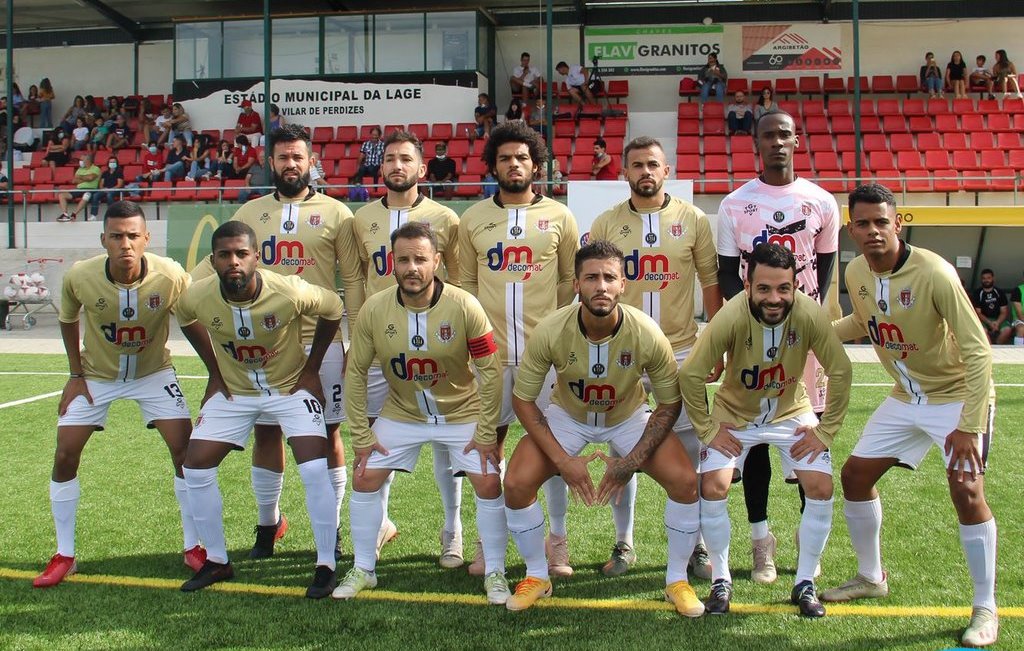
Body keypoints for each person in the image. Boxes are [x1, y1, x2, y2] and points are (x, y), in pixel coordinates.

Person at [823, 183, 999, 648]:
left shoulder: (935, 272)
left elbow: (980, 352)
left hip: (957, 397)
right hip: (906, 396)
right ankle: (870, 576)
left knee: (966, 491)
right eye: (863, 223)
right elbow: (863, 322)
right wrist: (816, 334)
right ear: (851, 229)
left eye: (882, 221)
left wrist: (969, 426)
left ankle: (985, 606)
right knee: (855, 477)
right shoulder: (857, 269)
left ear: (898, 223)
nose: (873, 231)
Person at [189, 123, 365, 564]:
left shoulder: (337, 213)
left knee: (329, 433)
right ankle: (268, 524)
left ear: (311, 162)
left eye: (298, 157)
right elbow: (210, 274)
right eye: (283, 157)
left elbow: (354, 280)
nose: (291, 164)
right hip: (267, 342)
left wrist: (354, 341)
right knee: (265, 431)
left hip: (320, 344)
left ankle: (333, 527)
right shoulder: (251, 211)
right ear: (272, 162)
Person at [502, 240, 703, 615]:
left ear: (623, 284)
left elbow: (669, 402)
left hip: (627, 417)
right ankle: (536, 575)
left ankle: (677, 579)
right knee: (515, 483)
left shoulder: (646, 332)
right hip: (569, 418)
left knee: (685, 481)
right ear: (576, 284)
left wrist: (631, 461)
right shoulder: (551, 329)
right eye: (591, 277)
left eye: (609, 277)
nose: (601, 286)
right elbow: (523, 400)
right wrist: (563, 461)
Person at [32, 200, 206, 588]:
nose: (125, 244)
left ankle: (194, 546)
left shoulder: (172, 275)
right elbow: (67, 319)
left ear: (147, 238)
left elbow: (192, 322)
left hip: (153, 372)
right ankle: (65, 553)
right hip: (96, 374)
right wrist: (75, 373)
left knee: (186, 453)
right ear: (103, 240)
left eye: (132, 236)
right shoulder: (80, 275)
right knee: (64, 453)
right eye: (116, 236)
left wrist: (218, 373)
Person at [334, 221, 509, 603]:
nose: (412, 268)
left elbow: (491, 372)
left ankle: (495, 571)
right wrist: (361, 435)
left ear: (437, 262)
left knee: (489, 482)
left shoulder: (465, 305)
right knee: (364, 476)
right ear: (391, 264)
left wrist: (485, 431)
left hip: (462, 412)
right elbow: (356, 373)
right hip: (404, 414)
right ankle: (364, 568)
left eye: (420, 259)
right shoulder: (374, 309)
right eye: (403, 260)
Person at [679, 242, 852, 618]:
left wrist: (826, 432)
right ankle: (720, 581)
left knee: (821, 486)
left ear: (795, 286)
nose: (774, 298)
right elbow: (691, 375)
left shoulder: (809, 314)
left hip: (791, 412)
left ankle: (804, 583)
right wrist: (708, 430)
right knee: (713, 485)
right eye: (764, 289)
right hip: (735, 416)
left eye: (783, 289)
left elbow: (841, 371)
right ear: (747, 284)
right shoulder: (730, 316)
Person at [176, 220, 343, 598]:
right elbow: (185, 319)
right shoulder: (196, 295)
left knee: (315, 468)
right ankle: (217, 560)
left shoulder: (288, 290)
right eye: (224, 255)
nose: (233, 262)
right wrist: (214, 373)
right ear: (214, 260)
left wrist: (313, 369)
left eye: (240, 254)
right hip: (236, 391)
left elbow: (334, 308)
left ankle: (325, 564)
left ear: (257, 258)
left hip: (288, 388)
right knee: (194, 465)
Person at [716, 109, 840, 584]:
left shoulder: (822, 202)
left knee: (809, 438)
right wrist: (746, 329)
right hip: (751, 340)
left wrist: (803, 319)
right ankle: (761, 540)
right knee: (756, 446)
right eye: (768, 135)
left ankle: (809, 545)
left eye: (784, 134)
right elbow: (730, 274)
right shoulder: (734, 205)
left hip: (803, 343)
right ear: (756, 143)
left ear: (796, 140)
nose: (776, 142)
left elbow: (824, 269)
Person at [588, 135, 721, 579]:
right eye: (637, 165)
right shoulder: (606, 222)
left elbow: (710, 284)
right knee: (622, 448)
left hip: (680, 351)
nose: (645, 172)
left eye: (653, 164)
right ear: (624, 173)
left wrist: (715, 343)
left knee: (687, 452)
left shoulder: (694, 218)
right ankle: (624, 542)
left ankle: (696, 544)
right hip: (621, 352)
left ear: (668, 171)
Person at [458, 121, 579, 576]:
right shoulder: (472, 219)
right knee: (488, 447)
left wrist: (553, 330)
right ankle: (489, 543)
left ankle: (557, 541)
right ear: (494, 165)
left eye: (523, 158)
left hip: (542, 359)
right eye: (506, 158)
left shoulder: (560, 217)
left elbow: (569, 279)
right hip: (487, 359)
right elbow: (466, 285)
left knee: (551, 447)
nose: (515, 164)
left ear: (536, 165)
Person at [352, 130, 462, 568]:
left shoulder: (447, 218)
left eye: (406, 159)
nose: (398, 165)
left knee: (443, 441)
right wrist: (355, 336)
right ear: (382, 168)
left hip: (436, 346)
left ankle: (452, 530)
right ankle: (380, 524)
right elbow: (355, 282)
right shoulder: (360, 219)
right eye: (391, 159)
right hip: (381, 346)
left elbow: (460, 283)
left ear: (421, 168)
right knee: (379, 439)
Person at [971, 268, 1012, 345]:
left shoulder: (999, 292)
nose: (986, 280)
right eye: (984, 278)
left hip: (998, 319)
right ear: (981, 279)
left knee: (1007, 330)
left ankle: (997, 347)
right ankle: (990, 350)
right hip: (984, 320)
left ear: (993, 278)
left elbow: (1004, 311)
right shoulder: (977, 293)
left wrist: (997, 323)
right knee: (982, 331)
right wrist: (989, 323)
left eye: (988, 278)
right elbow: (978, 313)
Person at [57, 154, 102, 222]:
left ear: (87, 160)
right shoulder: (80, 169)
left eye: (82, 160)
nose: (80, 161)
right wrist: (85, 178)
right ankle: (65, 214)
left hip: (90, 189)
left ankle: (74, 214)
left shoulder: (95, 168)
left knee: (86, 195)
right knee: (62, 195)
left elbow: (91, 178)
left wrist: (80, 177)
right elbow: (74, 181)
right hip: (79, 189)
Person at [1011, 274, 1024, 346]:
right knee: (1021, 329)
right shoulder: (1018, 290)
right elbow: (1019, 314)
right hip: (1020, 320)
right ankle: (1018, 352)